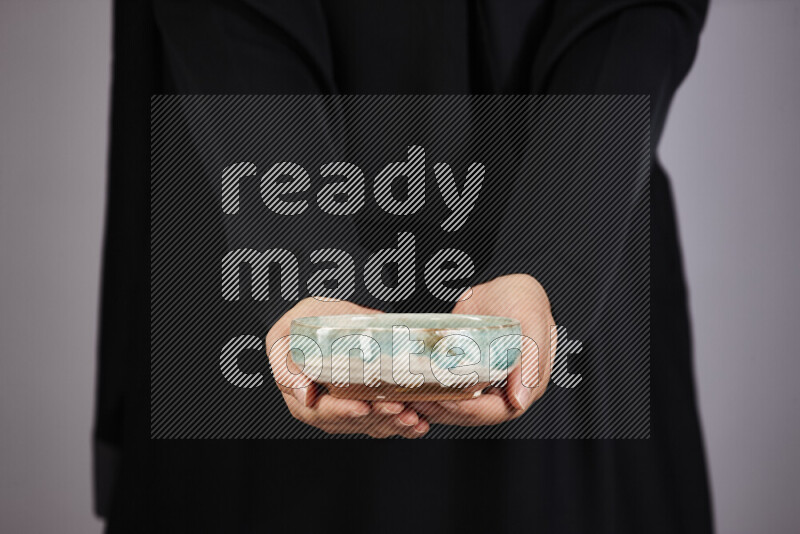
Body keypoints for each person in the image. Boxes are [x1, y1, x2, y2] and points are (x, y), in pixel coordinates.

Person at [96, 0, 713, 531]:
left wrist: (552, 262)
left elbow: (632, 15)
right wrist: (298, 262)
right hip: (251, 221)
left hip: (582, 218)